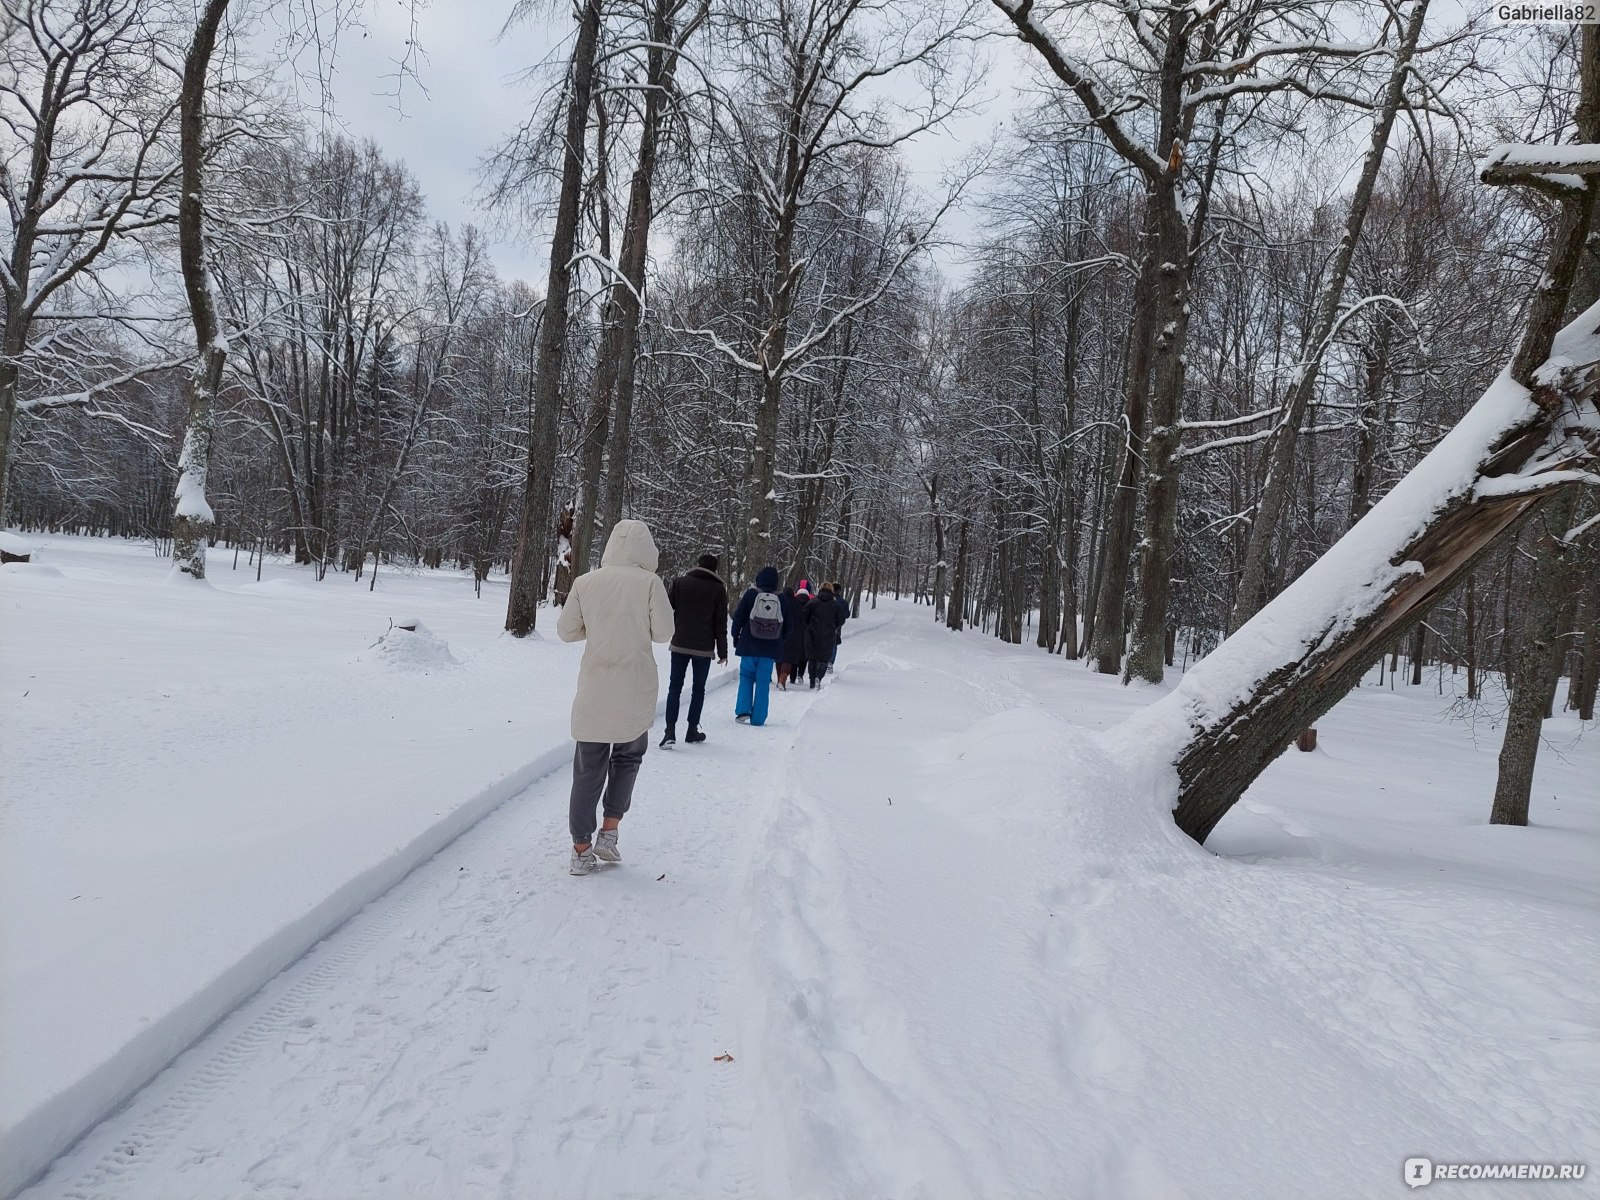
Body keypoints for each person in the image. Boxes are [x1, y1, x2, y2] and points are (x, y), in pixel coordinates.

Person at [557, 519, 673, 876]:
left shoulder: (585, 582)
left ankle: (580, 849)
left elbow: (566, 632)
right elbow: (664, 632)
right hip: (635, 689)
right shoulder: (650, 584)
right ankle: (608, 833)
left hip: (595, 688)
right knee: (627, 759)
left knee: (586, 770)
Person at [662, 553, 728, 747]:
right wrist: (723, 652)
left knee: (674, 687)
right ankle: (691, 731)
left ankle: (669, 731)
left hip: (680, 643)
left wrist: (672, 629)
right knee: (698, 690)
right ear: (714, 569)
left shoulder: (679, 583)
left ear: (698, 565)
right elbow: (720, 623)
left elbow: (667, 610)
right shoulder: (718, 589)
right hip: (704, 648)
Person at [729, 565, 793, 725]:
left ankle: (743, 711)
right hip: (770, 649)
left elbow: (738, 618)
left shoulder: (751, 595)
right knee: (763, 681)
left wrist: (736, 636)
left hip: (749, 646)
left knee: (746, 677)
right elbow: (789, 626)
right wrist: (779, 639)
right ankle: (758, 718)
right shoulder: (782, 599)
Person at [802, 581, 844, 688]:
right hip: (828, 634)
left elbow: (804, 616)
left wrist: (809, 625)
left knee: (812, 658)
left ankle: (812, 681)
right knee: (824, 659)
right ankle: (819, 677)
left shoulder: (813, 602)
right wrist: (834, 627)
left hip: (812, 633)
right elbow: (841, 620)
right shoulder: (835, 605)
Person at [778, 580, 810, 689]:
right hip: (794, 635)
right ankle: (783, 677)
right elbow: (803, 620)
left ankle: (779, 678)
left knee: (779, 658)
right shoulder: (797, 604)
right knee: (789, 659)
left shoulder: (779, 603)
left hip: (779, 633)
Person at [828, 581, 850, 674]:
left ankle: (821, 661)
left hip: (824, 624)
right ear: (839, 591)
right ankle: (830, 662)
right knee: (834, 644)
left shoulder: (827, 599)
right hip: (837, 626)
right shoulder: (843, 602)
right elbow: (847, 614)